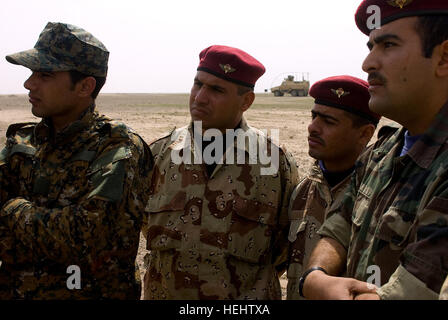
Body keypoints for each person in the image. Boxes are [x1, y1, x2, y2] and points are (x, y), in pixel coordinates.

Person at [301, 0, 448, 300]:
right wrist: (316, 275)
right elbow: (339, 225)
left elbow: (416, 288)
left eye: (388, 45)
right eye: (370, 47)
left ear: (444, 57)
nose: (368, 63)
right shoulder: (379, 153)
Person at [0, 22, 151, 299]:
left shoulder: (116, 146)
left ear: (85, 86)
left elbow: (85, 238)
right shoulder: (22, 141)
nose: (28, 83)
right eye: (32, 72)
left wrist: (12, 209)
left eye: (44, 74)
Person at [142, 45, 300, 299]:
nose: (200, 97)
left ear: (246, 101)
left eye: (216, 90)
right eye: (198, 84)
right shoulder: (159, 154)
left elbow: (286, 244)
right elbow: (143, 225)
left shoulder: (273, 162)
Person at [286, 76, 380, 300]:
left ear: (365, 133)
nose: (312, 127)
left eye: (328, 121)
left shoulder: (382, 198)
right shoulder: (304, 192)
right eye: (314, 116)